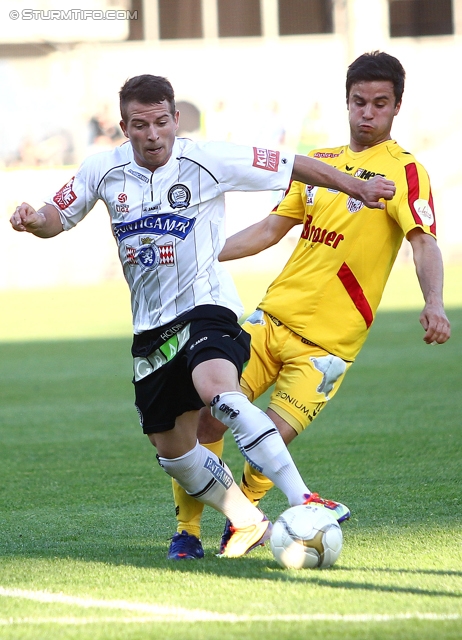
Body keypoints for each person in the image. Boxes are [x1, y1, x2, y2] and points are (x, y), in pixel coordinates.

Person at [10, 74, 395, 560]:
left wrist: (355, 185)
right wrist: (31, 220)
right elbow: (55, 217)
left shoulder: (206, 159)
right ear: (123, 127)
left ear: (174, 118)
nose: (153, 135)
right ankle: (246, 518)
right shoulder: (100, 170)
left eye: (161, 122)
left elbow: (292, 165)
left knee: (221, 393)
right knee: (172, 451)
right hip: (151, 329)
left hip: (207, 308)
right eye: (140, 125)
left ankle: (305, 498)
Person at [168, 51, 451, 560]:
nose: (367, 112)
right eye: (359, 102)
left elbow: (423, 240)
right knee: (205, 416)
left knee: (266, 447)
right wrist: (200, 255)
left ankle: (242, 519)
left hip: (326, 350)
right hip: (268, 322)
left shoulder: (406, 173)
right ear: (346, 103)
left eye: (379, 104)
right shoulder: (318, 164)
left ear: (396, 108)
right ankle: (188, 533)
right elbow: (269, 230)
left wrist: (436, 302)